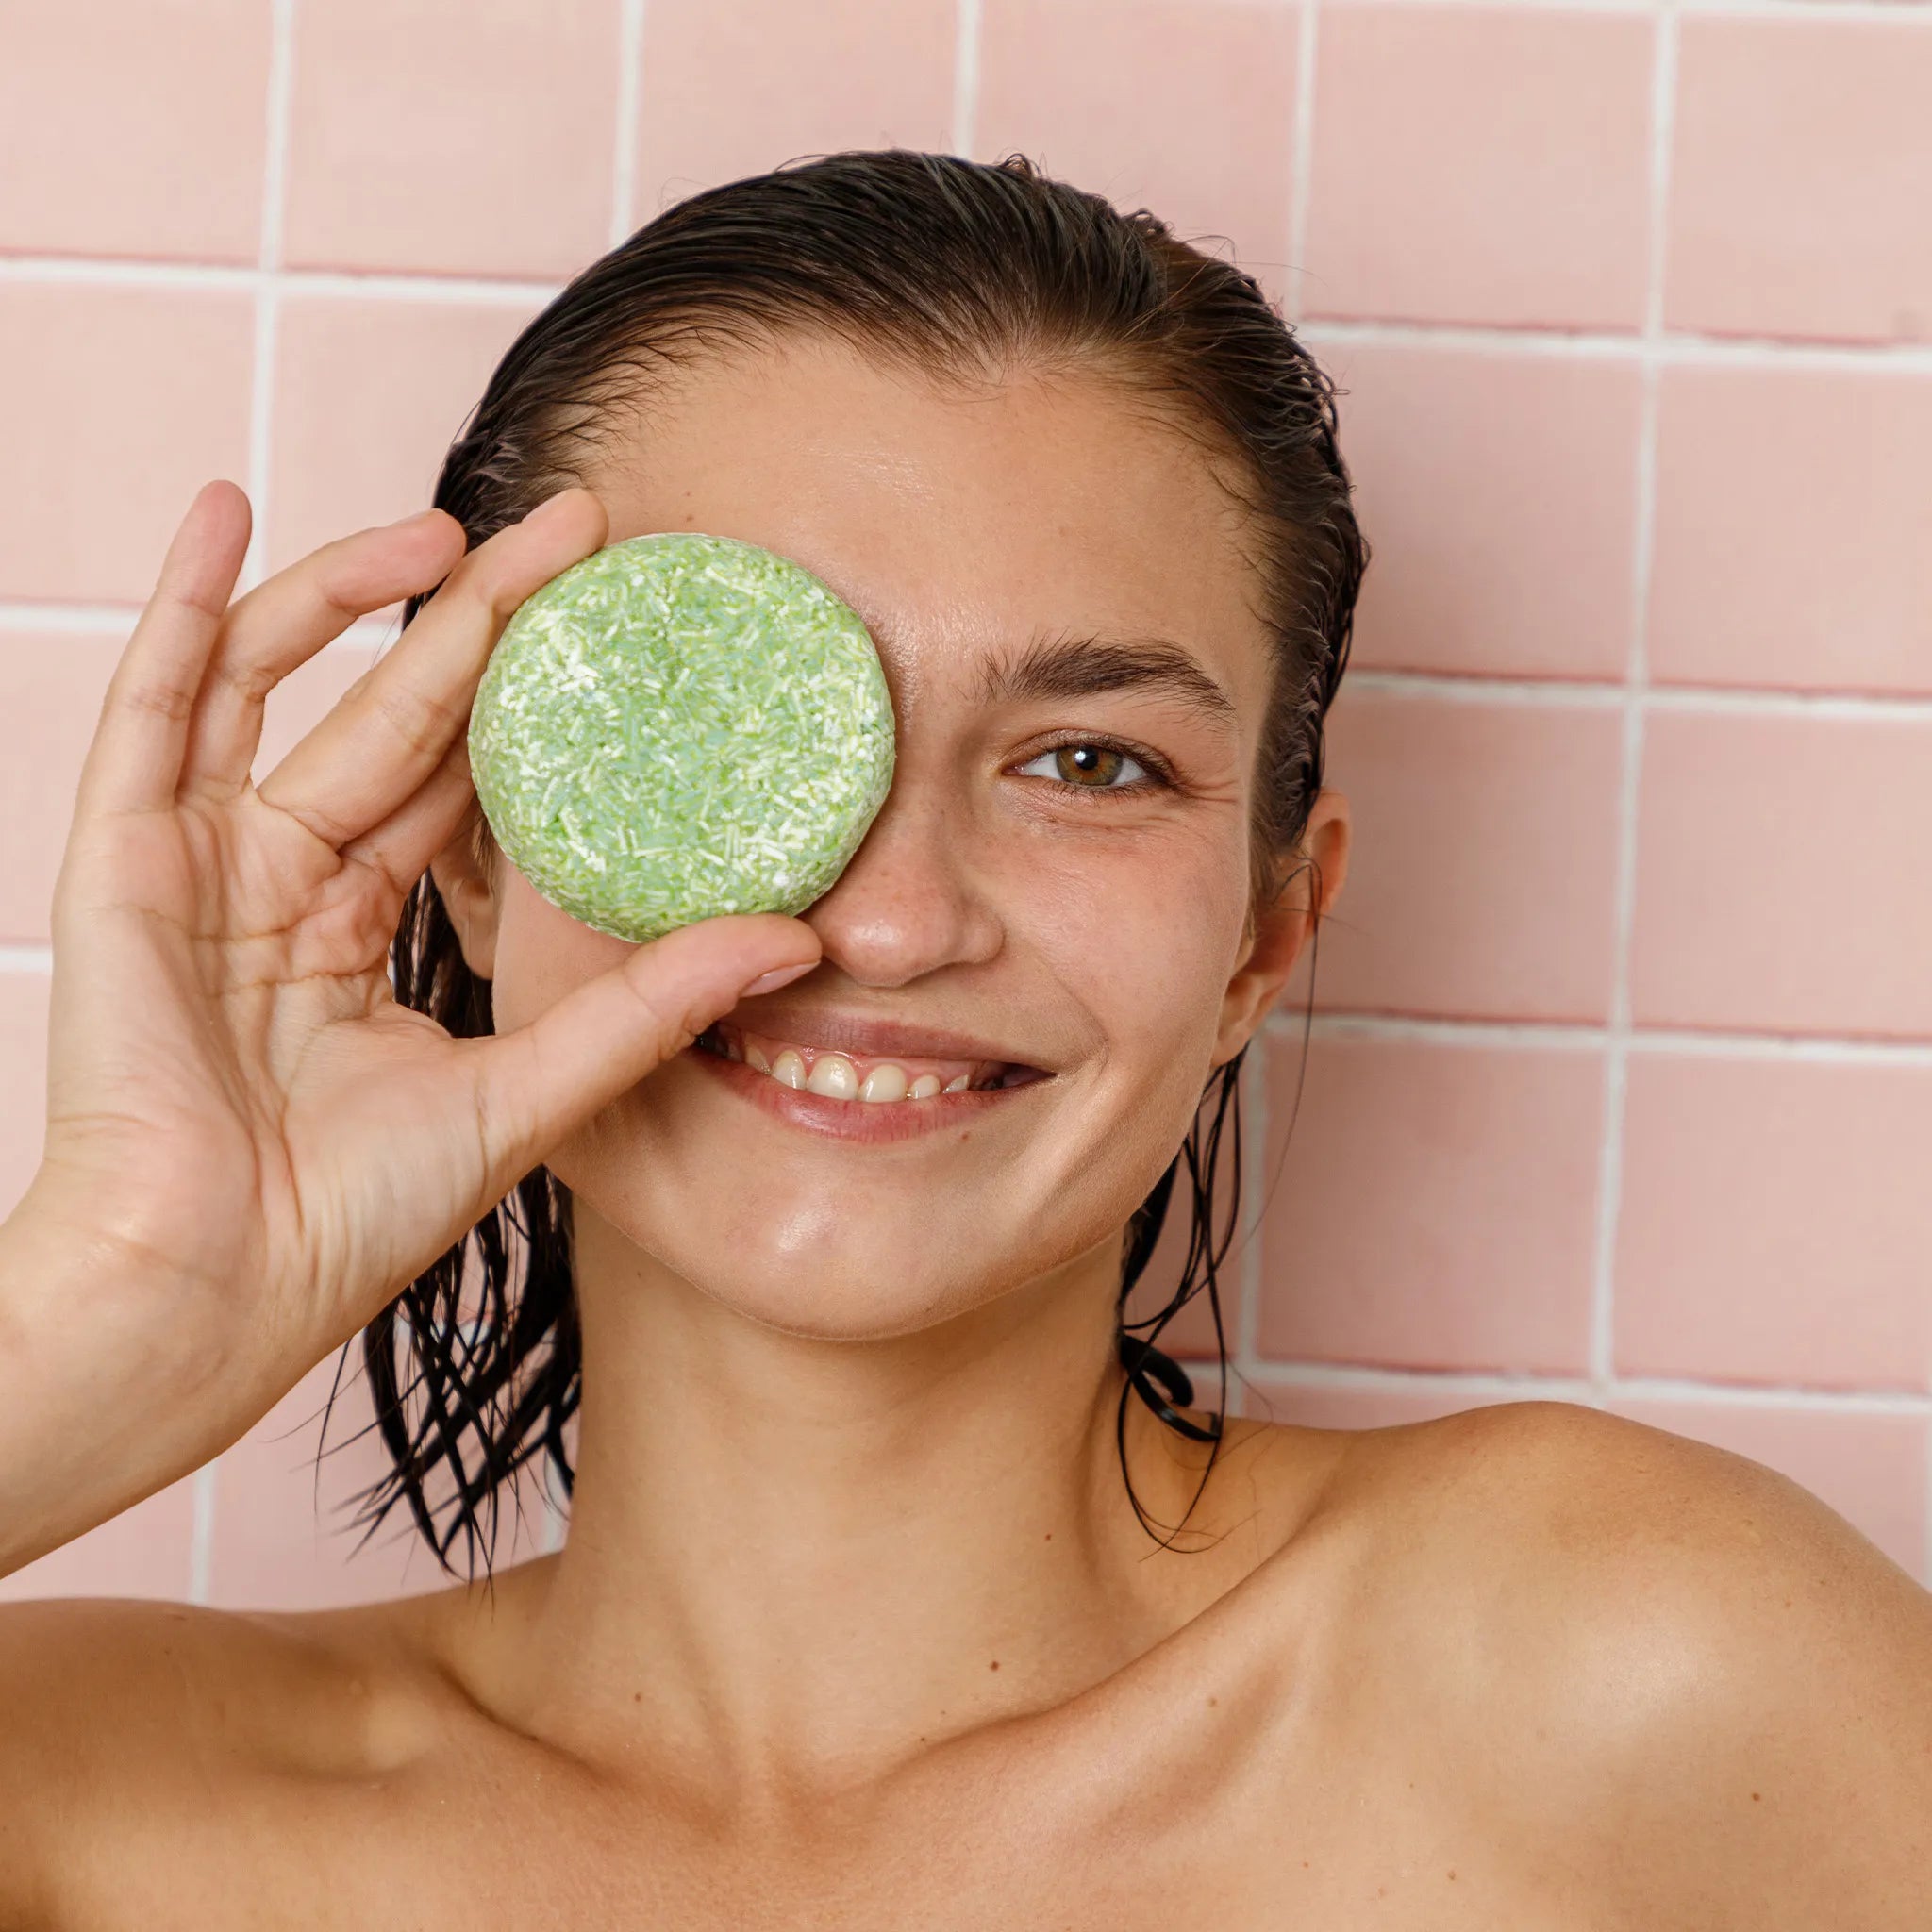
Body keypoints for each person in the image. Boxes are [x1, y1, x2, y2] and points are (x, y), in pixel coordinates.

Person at [0, 149, 1925, 1924]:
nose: (896, 914)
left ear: (1271, 923)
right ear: (485, 844)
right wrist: (99, 1314)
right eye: (710, 733)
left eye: (1088, 761)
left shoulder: (1638, 1682)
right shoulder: (79, 1805)